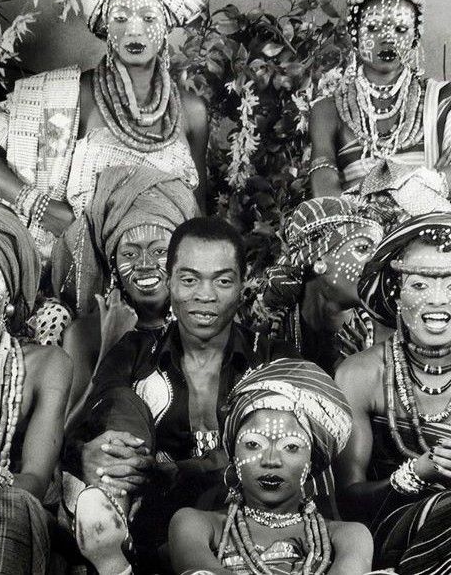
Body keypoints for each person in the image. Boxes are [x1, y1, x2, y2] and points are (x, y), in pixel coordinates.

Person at [63, 216, 301, 575]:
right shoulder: (135, 351)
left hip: (247, 526)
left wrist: (176, 471)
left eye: (222, 280)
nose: (205, 295)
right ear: (170, 281)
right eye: (189, 279)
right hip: (149, 522)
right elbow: (82, 434)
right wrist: (91, 454)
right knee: (121, 402)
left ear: (241, 284)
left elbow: (294, 456)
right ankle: (113, 530)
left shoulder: (274, 359)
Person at [0, 0, 212, 262]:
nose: (134, 29)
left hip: (158, 278)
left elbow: (198, 212)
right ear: (106, 26)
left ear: (166, 26)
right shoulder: (73, 94)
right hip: (77, 270)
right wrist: (42, 208)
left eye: (148, 17)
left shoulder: (191, 111)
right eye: (120, 17)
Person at [169, 357, 373, 574]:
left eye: (291, 447)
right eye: (253, 444)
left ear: (312, 460)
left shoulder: (349, 536)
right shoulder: (195, 525)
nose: (270, 460)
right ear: (233, 453)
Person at [336, 212, 451, 573]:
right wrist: (418, 472)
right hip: (392, 531)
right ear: (396, 294)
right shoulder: (360, 375)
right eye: (420, 285)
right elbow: (348, 502)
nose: (437, 300)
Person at [0, 199, 72, 574]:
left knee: (12, 507)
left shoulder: (46, 365)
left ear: (11, 295)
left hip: (10, 510)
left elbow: (35, 480)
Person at [52, 164, 198, 415]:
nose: (144, 265)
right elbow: (64, 436)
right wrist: (110, 346)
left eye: (159, 252)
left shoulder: (202, 323)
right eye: (130, 253)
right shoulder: (84, 334)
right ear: (113, 263)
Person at [309, 0, 451, 198]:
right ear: (354, 37)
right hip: (355, 229)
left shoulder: (442, 99)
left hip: (427, 228)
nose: (388, 39)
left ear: (415, 38)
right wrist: (431, 180)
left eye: (401, 29)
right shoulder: (328, 111)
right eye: (373, 28)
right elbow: (326, 197)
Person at [263, 196, 385, 374]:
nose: (375, 262)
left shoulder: (387, 346)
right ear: (317, 257)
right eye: (363, 249)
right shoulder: (265, 341)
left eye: (378, 251)